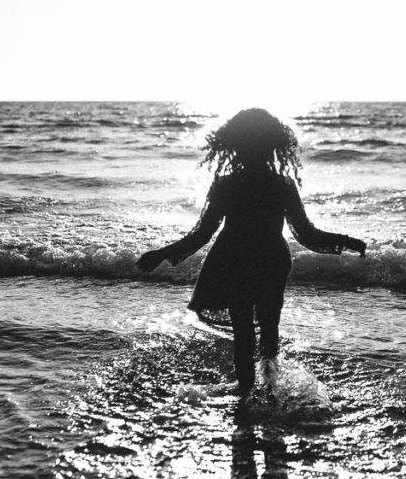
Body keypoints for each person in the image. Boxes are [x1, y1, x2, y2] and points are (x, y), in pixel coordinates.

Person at [136, 108, 366, 394]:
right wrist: (346, 242)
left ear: (235, 145)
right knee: (270, 331)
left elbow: (202, 234)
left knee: (243, 335)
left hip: (234, 259)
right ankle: (269, 394)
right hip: (270, 260)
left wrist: (161, 253)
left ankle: (246, 397)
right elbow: (305, 233)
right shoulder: (281, 184)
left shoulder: (227, 184)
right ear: (273, 145)